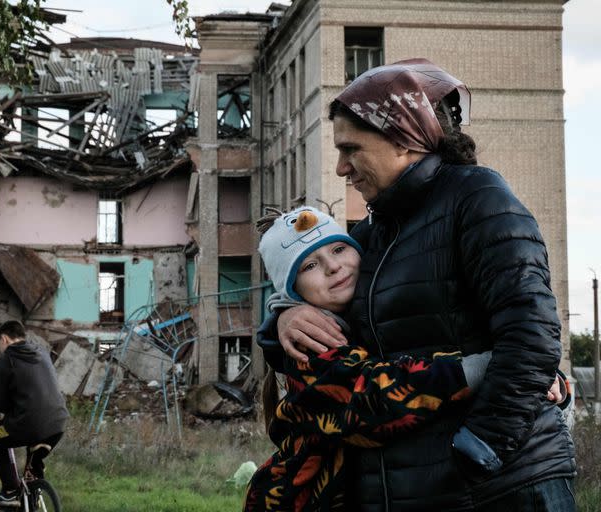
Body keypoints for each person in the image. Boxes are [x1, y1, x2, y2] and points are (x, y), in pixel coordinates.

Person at [260, 59, 575, 511]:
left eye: (351, 149)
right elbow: (315, 304)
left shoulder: (479, 200)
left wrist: (480, 449)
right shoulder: (371, 235)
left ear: (403, 140)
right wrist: (282, 318)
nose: (341, 167)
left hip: (502, 487)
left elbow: (533, 337)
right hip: (417, 492)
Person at [245, 205, 495, 511]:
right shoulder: (310, 344)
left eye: (339, 249)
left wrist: (530, 372)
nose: (333, 267)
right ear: (291, 290)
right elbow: (376, 398)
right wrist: (492, 365)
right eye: (309, 266)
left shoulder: (360, 320)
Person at [0, 320, 69, 508]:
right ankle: (33, 495)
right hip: (58, 423)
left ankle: (10, 492)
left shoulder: (6, 360)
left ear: (4, 339)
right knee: (33, 467)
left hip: (30, 424)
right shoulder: (42, 352)